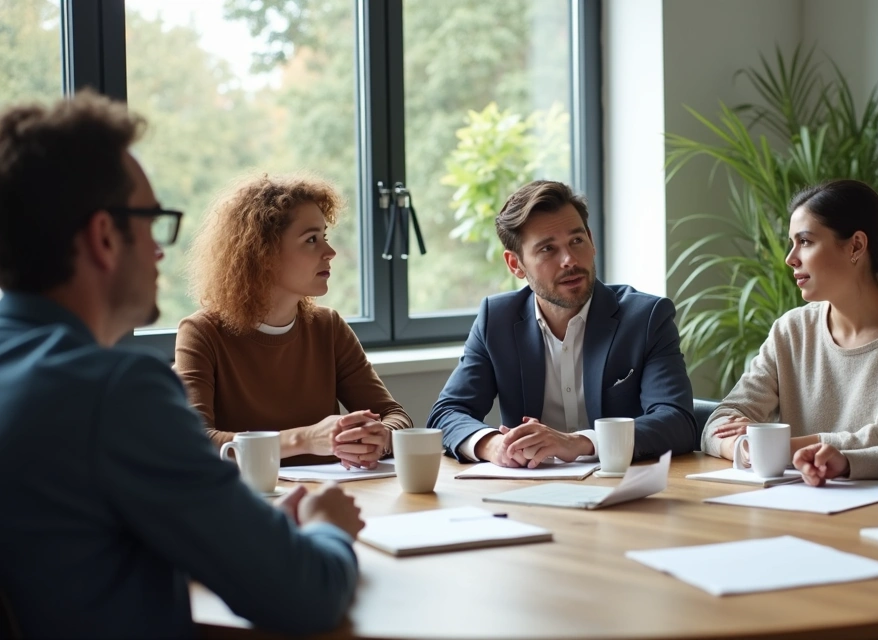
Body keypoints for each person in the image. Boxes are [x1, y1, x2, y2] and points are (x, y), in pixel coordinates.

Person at [0, 93, 362, 637]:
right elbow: (306, 595)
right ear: (104, 237)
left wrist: (250, 529)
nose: (159, 250)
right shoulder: (116, 394)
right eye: (151, 222)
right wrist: (327, 528)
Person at [702, 179, 878, 483]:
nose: (790, 258)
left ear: (856, 245)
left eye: (805, 241)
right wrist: (746, 448)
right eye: (792, 243)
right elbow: (719, 422)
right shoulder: (791, 330)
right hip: (793, 502)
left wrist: (794, 447)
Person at [427, 180, 696, 466]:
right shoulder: (497, 320)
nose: (569, 260)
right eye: (547, 249)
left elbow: (677, 421)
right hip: (530, 486)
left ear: (591, 241)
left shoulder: (646, 318)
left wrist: (580, 442)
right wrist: (494, 446)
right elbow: (447, 413)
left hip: (622, 483)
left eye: (576, 241)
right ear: (516, 264)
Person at [176, 173, 412, 469]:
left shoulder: (329, 327)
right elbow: (193, 442)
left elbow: (395, 415)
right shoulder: (202, 333)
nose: (330, 252)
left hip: (334, 492)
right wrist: (305, 439)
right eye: (311, 240)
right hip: (248, 495)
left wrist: (381, 437)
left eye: (325, 237)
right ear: (262, 253)